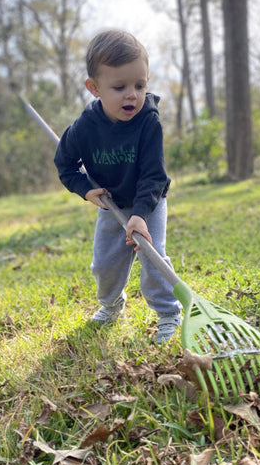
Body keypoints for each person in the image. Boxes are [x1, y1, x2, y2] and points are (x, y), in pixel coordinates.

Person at [54, 29, 182, 344]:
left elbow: (154, 176)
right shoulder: (83, 129)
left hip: (147, 202)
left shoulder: (148, 122)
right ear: (94, 88)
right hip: (111, 205)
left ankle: (168, 314)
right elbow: (65, 166)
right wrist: (86, 190)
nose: (132, 95)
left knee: (153, 258)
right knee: (105, 264)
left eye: (140, 85)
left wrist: (140, 213)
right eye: (120, 86)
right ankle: (112, 305)